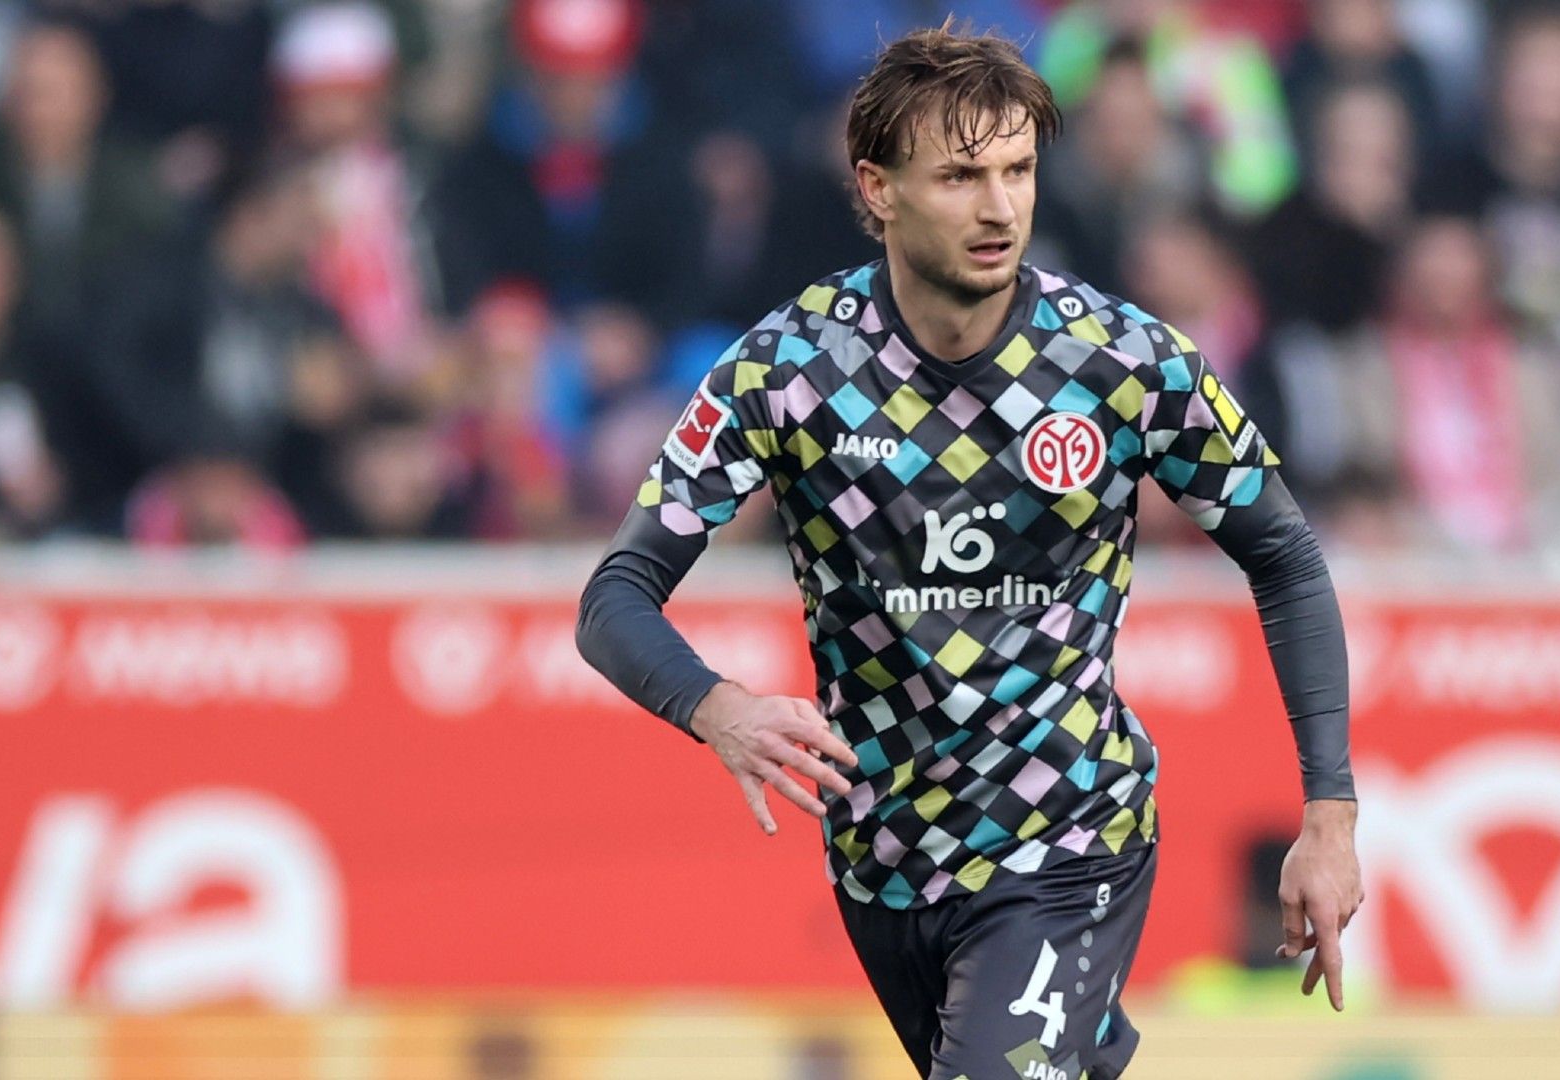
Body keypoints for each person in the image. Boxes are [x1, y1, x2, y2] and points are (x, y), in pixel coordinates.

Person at [575, 25, 1360, 1080]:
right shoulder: (789, 369)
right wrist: (719, 709)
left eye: (1017, 171)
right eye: (959, 177)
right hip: (883, 863)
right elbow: (615, 597)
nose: (999, 209)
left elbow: (1288, 559)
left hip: (1066, 838)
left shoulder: (1122, 362)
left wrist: (1330, 815)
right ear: (879, 188)